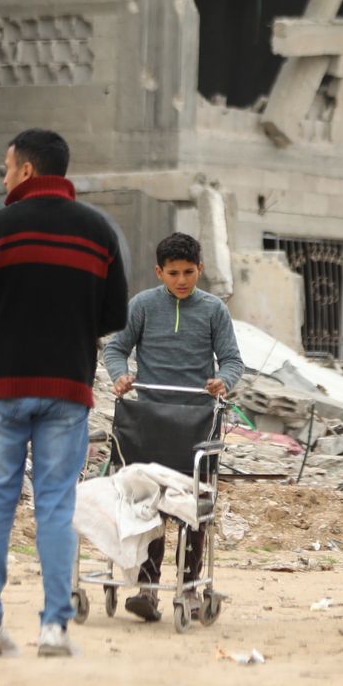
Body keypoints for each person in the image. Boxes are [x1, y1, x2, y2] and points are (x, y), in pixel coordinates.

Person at [0, 129, 128, 659]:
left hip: (3, 388)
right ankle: (54, 630)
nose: (3, 175)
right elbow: (117, 315)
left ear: (27, 171)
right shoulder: (99, 231)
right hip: (67, 389)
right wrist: (76, 326)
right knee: (56, 507)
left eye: (6, 166)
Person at [101, 231, 242, 623]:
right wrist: (121, 374)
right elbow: (116, 348)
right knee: (149, 505)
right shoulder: (142, 306)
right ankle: (147, 588)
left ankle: (189, 587)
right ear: (159, 272)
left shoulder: (214, 310)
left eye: (190, 272)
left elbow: (232, 360)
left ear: (200, 270)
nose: (182, 281)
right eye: (174, 273)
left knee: (194, 509)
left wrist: (222, 382)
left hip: (197, 422)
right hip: (149, 421)